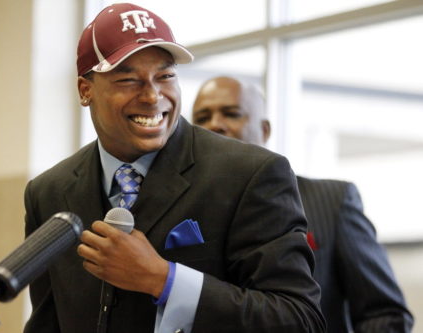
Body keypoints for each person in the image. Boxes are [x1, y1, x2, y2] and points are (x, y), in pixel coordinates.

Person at [23, 3, 326, 333]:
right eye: (128, 80)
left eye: (165, 76)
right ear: (86, 91)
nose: (153, 96)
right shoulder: (48, 192)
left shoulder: (251, 174)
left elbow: (298, 319)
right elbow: (46, 322)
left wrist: (163, 280)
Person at [192, 76, 414, 333]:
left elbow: (385, 313)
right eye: (202, 118)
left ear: (264, 131)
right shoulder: (187, 209)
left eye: (231, 114)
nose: (215, 125)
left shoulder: (333, 202)